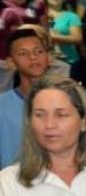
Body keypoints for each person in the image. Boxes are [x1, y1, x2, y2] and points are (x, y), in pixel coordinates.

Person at [0, 28, 51, 165]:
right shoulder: (2, 106)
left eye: (38, 51)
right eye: (23, 53)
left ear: (48, 57)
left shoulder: (69, 100)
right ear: (11, 63)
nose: (33, 57)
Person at [43, 0, 83, 77]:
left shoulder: (71, 16)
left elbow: (77, 39)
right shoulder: (38, 15)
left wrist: (53, 37)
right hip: (45, 62)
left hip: (69, 61)